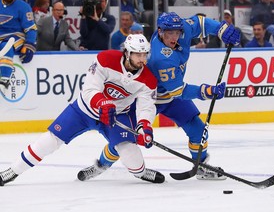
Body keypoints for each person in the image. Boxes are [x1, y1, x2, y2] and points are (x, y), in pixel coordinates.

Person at [0, 34, 165, 186]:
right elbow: (89, 89)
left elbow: (146, 107)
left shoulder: (149, 79)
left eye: (145, 55)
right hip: (83, 111)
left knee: (131, 156)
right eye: (138, 54)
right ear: (127, 53)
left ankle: (140, 172)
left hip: (116, 116)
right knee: (49, 141)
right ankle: (13, 171)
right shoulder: (105, 59)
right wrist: (103, 103)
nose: (142, 59)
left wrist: (144, 127)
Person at [146, 12, 240, 180]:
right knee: (126, 136)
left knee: (198, 130)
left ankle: (202, 166)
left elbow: (201, 22)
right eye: (170, 34)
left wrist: (221, 29)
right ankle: (102, 163)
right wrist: (207, 91)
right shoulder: (161, 58)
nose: (175, 37)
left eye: (177, 33)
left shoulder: (182, 28)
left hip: (170, 97)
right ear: (160, 32)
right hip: (147, 99)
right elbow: (179, 91)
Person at [0, 0, 37, 95]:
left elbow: (31, 28)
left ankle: (5, 79)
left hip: (15, 37)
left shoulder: (24, 6)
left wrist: (29, 44)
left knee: (5, 46)